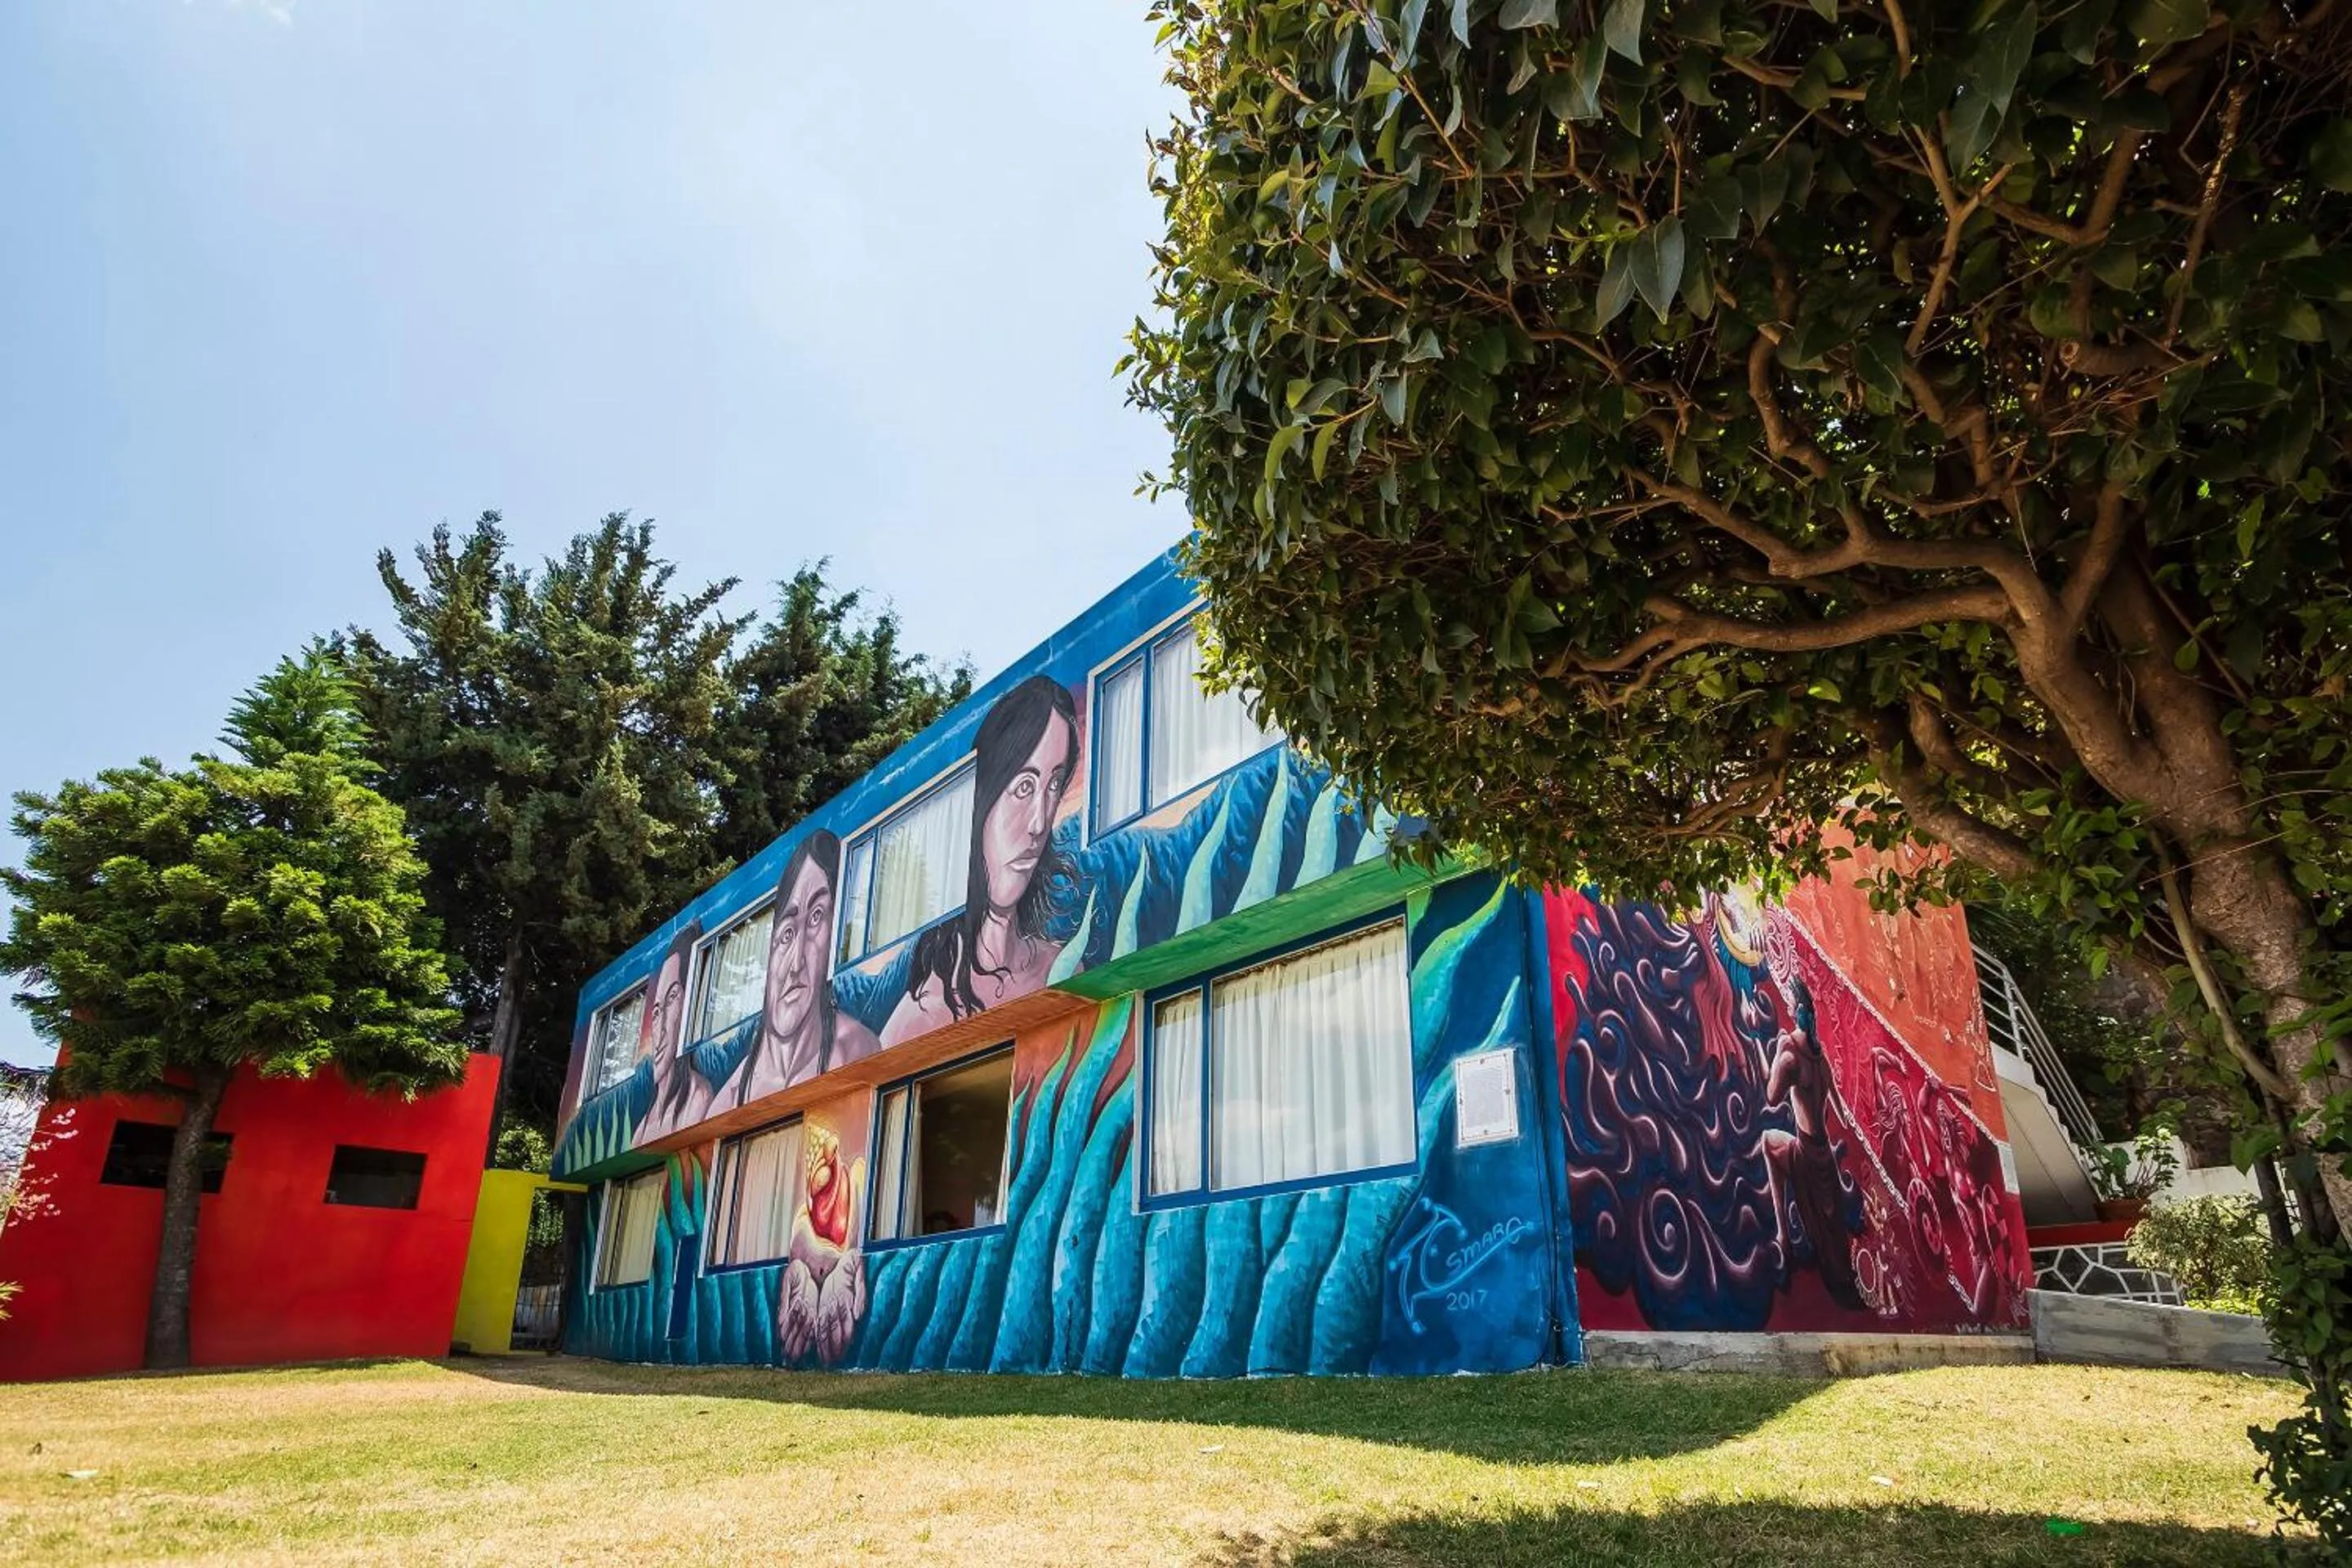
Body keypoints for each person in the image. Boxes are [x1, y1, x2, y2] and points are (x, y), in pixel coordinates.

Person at [882, 675, 1079, 1046]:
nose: (1040, 823)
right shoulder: (919, 1018)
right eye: (1023, 787)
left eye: (1054, 786)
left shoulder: (1063, 970)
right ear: (980, 802)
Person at [714, 831, 881, 1109]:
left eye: (817, 917)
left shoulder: (856, 1049)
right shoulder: (731, 1096)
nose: (796, 964)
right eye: (787, 933)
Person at [635, 923, 709, 1143]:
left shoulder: (698, 1099)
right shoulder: (641, 1131)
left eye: (672, 998)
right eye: (657, 1012)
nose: (661, 1027)